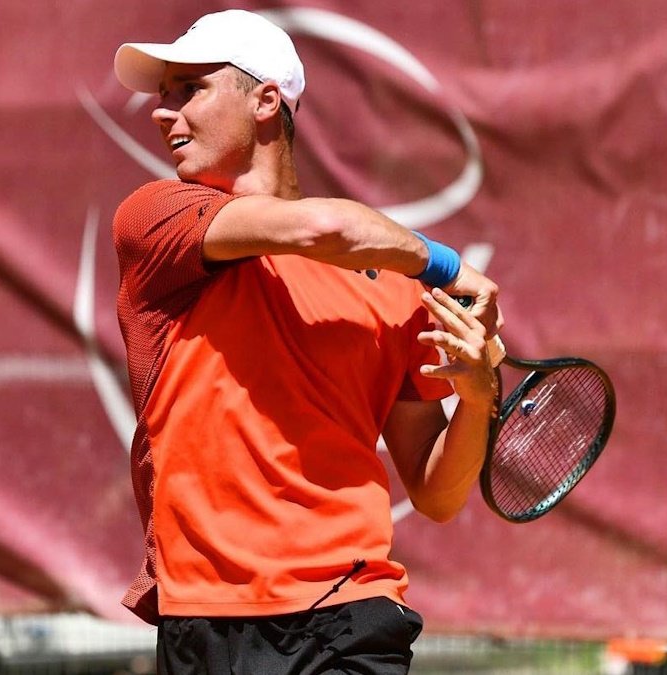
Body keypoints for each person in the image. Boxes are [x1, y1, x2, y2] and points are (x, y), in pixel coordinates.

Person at [110, 9, 502, 674]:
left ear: (265, 100)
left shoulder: (391, 281)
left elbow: (437, 492)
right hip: (203, 623)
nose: (161, 112)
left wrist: (476, 398)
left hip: (350, 615)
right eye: (164, 94)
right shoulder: (154, 222)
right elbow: (323, 229)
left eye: (189, 89)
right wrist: (445, 264)